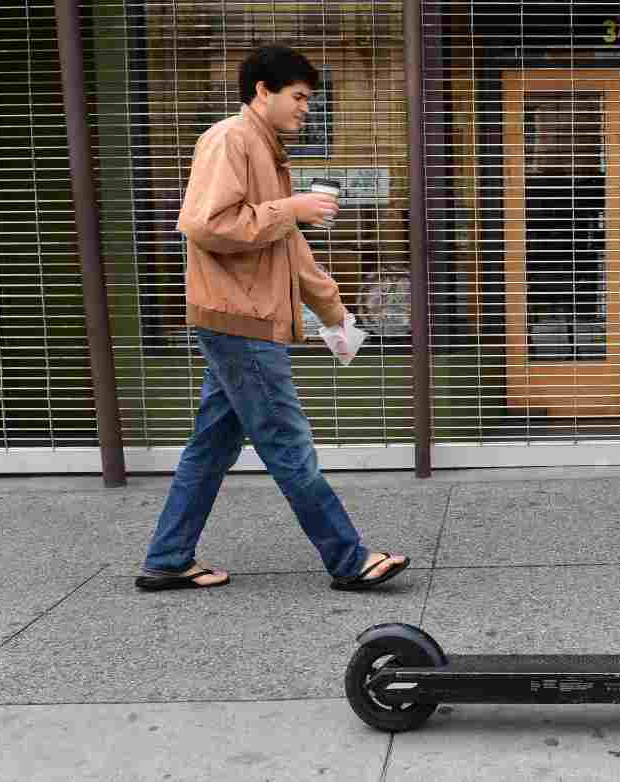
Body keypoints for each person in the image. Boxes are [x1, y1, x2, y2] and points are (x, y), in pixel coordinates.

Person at [136, 44, 408, 593]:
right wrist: (293, 209)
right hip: (239, 320)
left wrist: (336, 317)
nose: (307, 108)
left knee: (212, 445)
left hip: (241, 318)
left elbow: (289, 251)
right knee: (288, 444)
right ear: (263, 91)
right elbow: (204, 223)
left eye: (310, 98)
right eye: (299, 97)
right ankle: (348, 559)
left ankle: (168, 558)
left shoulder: (266, 149)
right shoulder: (230, 139)